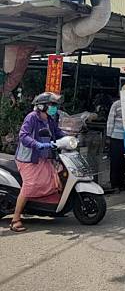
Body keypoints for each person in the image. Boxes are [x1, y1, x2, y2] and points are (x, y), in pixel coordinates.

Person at [10, 92, 66, 233]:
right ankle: (15, 219)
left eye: (55, 105)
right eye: (51, 105)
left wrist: (69, 138)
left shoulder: (50, 119)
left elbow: (57, 133)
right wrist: (37, 144)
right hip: (29, 158)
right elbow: (23, 135)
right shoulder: (32, 117)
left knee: (54, 181)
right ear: (41, 106)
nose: (54, 107)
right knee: (30, 185)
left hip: (44, 157)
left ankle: (40, 208)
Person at [106, 96, 125, 192]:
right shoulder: (116, 104)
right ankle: (115, 184)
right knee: (116, 161)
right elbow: (111, 120)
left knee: (123, 161)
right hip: (116, 137)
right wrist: (109, 135)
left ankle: (121, 184)